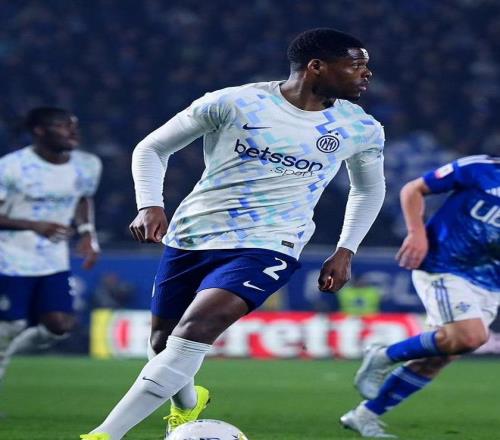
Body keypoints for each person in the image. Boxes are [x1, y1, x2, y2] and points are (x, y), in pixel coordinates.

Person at [81, 27, 386, 440]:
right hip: (194, 233)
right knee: (163, 342)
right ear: (316, 66)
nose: (366, 73)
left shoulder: (360, 127)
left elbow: (368, 190)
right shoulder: (235, 103)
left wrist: (346, 248)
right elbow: (151, 148)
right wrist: (149, 204)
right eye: (356, 65)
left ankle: (104, 435)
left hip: (271, 243)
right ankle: (187, 405)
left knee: (196, 328)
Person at [341, 155, 500, 438]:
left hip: (489, 281)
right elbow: (413, 189)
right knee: (471, 337)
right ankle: (384, 355)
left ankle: (364, 415)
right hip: (444, 264)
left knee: (444, 355)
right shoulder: (481, 169)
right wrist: (417, 233)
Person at [0, 107, 102, 383]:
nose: (72, 131)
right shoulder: (11, 167)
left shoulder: (87, 165)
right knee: (11, 324)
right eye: (63, 126)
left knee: (59, 325)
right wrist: (35, 225)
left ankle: (4, 351)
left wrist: (87, 233)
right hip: (10, 259)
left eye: (74, 125)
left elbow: (83, 197)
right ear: (40, 131)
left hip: (53, 260)